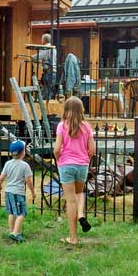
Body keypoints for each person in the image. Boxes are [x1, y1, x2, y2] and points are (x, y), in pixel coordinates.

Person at [53, 96, 95, 246]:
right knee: (79, 194)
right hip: (82, 165)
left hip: (66, 164)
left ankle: (73, 238)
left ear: (66, 110)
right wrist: (86, 159)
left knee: (70, 200)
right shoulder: (87, 127)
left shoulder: (62, 126)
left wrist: (58, 159)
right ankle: (81, 214)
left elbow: (57, 149)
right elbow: (92, 150)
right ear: (81, 110)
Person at [0, 140, 35, 243]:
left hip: (8, 192)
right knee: (21, 213)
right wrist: (32, 192)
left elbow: (2, 177)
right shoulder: (24, 166)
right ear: (23, 152)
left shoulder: (8, 163)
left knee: (11, 212)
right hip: (18, 193)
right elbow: (28, 181)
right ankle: (15, 233)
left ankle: (11, 231)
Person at [33, 33, 57, 100]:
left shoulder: (45, 48)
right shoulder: (54, 49)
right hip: (53, 72)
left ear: (43, 40)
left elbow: (38, 56)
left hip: (49, 72)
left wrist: (30, 58)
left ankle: (44, 107)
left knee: (46, 91)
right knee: (49, 91)